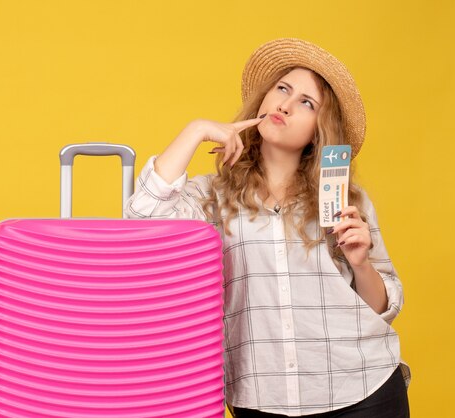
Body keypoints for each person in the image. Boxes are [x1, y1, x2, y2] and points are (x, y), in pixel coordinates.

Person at [124, 38, 410, 417]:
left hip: (361, 388)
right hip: (262, 394)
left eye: (306, 103)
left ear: (319, 130)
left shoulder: (347, 200)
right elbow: (141, 216)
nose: (285, 106)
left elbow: (381, 307)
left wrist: (361, 264)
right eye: (282, 89)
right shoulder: (211, 197)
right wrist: (195, 130)